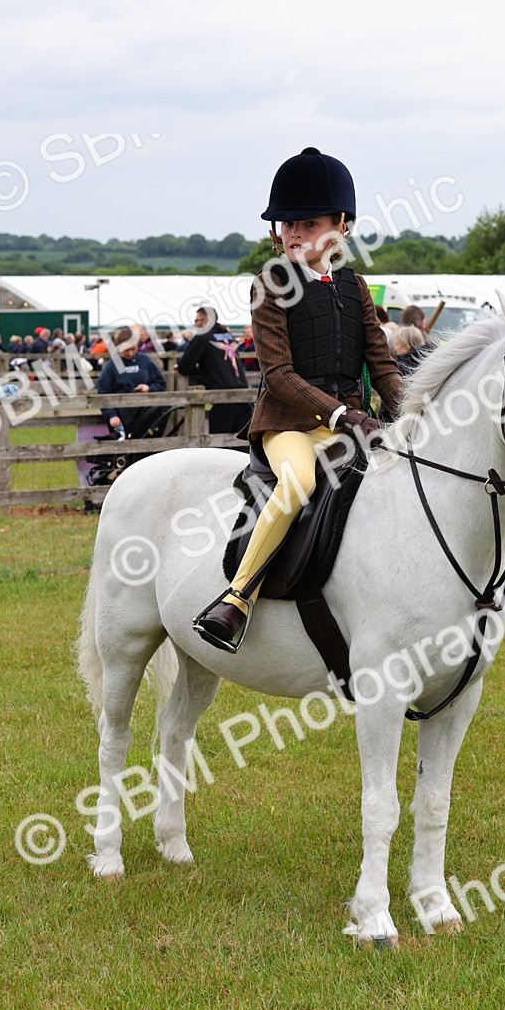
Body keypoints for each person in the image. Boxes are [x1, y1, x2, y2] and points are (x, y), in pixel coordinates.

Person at [193, 146, 404, 653]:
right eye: (286, 224)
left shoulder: (355, 287)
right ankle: (236, 598)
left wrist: (411, 412)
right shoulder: (270, 285)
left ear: (340, 227)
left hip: (349, 423)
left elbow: (382, 364)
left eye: (307, 223)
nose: (293, 233)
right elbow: (280, 374)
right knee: (299, 481)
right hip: (288, 424)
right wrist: (340, 413)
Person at [177, 306, 253, 434]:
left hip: (223, 400)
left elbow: (184, 367)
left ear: (205, 321)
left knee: (219, 449)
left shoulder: (202, 336)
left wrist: (196, 370)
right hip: (244, 397)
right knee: (241, 448)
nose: (195, 324)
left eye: (197, 321)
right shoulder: (227, 335)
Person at [97, 326, 167, 439]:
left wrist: (148, 388)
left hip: (145, 415)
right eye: (126, 350)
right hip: (122, 418)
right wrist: (112, 415)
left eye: (133, 349)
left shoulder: (145, 360)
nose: (130, 353)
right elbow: (103, 392)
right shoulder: (114, 364)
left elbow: (161, 383)